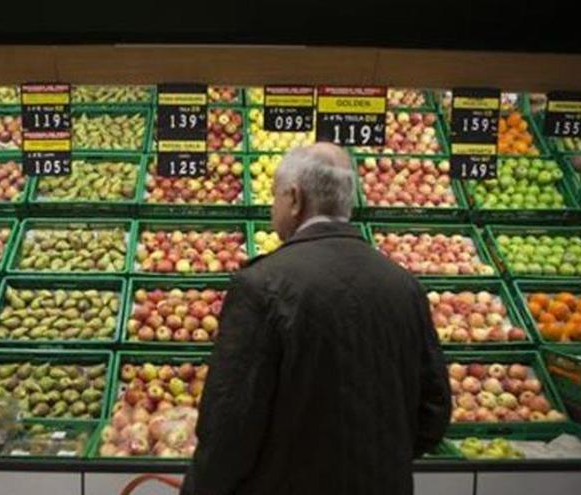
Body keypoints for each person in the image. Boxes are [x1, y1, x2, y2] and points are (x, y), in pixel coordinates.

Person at [181, 143, 451, 495]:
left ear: (294, 199)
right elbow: (433, 413)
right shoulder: (404, 285)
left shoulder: (262, 285)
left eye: (275, 196)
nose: (272, 207)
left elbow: (231, 423)